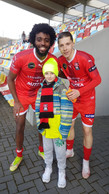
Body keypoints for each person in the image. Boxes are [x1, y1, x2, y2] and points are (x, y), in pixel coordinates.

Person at [7, 23, 57, 172]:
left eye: (46, 40)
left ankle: (41, 149)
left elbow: (59, 75)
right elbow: (10, 79)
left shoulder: (52, 60)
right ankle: (19, 155)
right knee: (20, 126)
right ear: (33, 40)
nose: (43, 43)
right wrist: (16, 101)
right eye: (39, 39)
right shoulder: (21, 57)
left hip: (39, 95)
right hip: (21, 95)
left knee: (42, 125)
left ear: (51, 42)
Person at [58, 31, 101, 179]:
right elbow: (56, 70)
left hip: (87, 100)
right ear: (59, 46)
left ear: (73, 43)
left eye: (68, 44)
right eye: (62, 45)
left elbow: (97, 80)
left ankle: (86, 162)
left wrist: (79, 91)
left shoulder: (84, 58)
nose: (65, 48)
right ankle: (69, 150)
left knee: (86, 131)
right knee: (69, 125)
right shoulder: (60, 60)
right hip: (73, 100)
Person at [35, 58, 73, 188]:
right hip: (46, 127)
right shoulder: (41, 89)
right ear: (44, 74)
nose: (49, 76)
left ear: (56, 73)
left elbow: (67, 109)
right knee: (48, 150)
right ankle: (48, 167)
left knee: (60, 152)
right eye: (46, 73)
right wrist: (38, 123)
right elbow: (38, 107)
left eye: (52, 73)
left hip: (58, 128)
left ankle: (62, 171)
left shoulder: (62, 88)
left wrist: (64, 129)